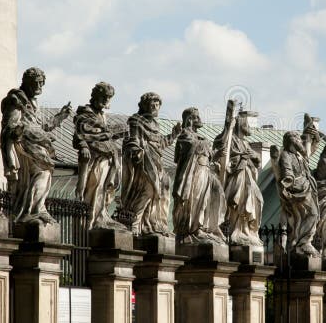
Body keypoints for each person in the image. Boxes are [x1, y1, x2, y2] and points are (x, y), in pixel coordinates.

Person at [1, 67, 71, 224]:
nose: (40, 87)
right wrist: (26, 131)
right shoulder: (17, 99)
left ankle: (37, 209)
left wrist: (60, 117)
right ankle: (32, 211)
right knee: (44, 170)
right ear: (27, 82)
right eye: (37, 83)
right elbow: (11, 126)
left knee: (44, 171)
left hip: (37, 143)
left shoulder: (33, 102)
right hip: (25, 144)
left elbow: (40, 126)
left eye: (42, 83)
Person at [122, 92, 181, 236]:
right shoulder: (136, 121)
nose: (155, 106)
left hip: (157, 161)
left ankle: (155, 223)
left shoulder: (155, 124)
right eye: (152, 104)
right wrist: (137, 151)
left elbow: (160, 144)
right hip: (144, 161)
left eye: (157, 104)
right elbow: (133, 141)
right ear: (144, 106)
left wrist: (173, 134)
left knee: (162, 191)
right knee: (149, 190)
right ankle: (135, 223)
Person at [73, 82, 126, 230]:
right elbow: (79, 136)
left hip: (108, 157)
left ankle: (101, 214)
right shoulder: (85, 113)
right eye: (104, 97)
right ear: (95, 96)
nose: (106, 100)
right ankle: (92, 219)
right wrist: (84, 146)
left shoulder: (101, 115)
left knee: (105, 187)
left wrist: (114, 133)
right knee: (95, 186)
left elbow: (103, 134)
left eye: (109, 97)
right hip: (95, 159)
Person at [172, 107, 226, 245]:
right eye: (197, 117)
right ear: (190, 119)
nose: (200, 119)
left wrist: (217, 153)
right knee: (193, 199)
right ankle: (189, 229)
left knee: (204, 200)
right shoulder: (185, 135)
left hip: (204, 171)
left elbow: (208, 155)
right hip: (193, 173)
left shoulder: (198, 137)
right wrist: (206, 144)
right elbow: (188, 150)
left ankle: (199, 227)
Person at [214, 111, 263, 246]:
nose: (249, 127)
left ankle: (248, 230)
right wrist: (227, 126)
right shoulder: (231, 140)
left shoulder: (246, 144)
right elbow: (223, 153)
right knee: (241, 202)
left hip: (248, 176)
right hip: (238, 177)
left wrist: (252, 155)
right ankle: (238, 230)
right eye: (247, 124)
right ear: (240, 125)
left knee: (257, 200)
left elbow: (258, 161)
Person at [273, 130, 320, 257]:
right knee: (311, 214)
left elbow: (310, 149)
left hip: (307, 188)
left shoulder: (300, 156)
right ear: (292, 141)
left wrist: (314, 136)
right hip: (297, 190)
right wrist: (289, 181)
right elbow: (287, 172)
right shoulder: (286, 155)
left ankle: (304, 241)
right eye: (298, 139)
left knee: (313, 215)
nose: (300, 141)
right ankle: (303, 242)